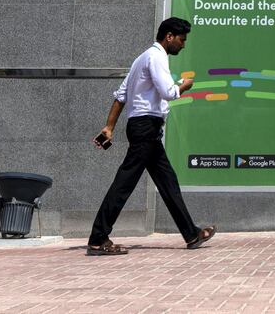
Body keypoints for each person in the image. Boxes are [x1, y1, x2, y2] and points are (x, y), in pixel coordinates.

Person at [86, 17, 215, 255]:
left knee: (168, 182)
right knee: (124, 184)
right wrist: (184, 85)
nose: (183, 45)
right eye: (181, 39)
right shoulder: (157, 57)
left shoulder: (141, 59)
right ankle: (97, 238)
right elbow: (168, 92)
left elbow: (121, 95)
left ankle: (191, 234)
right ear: (169, 37)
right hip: (146, 127)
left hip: (145, 128)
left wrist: (109, 127)